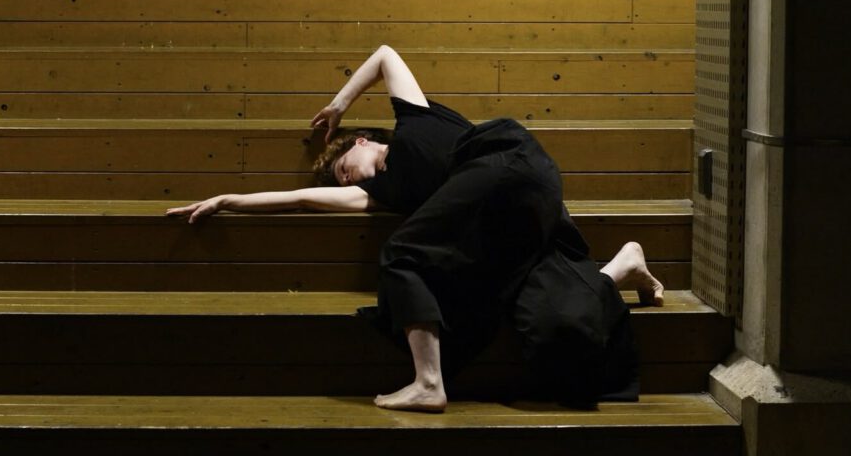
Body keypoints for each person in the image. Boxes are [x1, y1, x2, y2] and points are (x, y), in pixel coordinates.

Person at [167, 45, 664, 412]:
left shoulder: (414, 118)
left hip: (511, 164)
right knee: (555, 328)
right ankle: (624, 266)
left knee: (401, 252)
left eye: (346, 163)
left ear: (362, 140)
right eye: (341, 177)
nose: (348, 175)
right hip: (509, 229)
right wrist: (228, 199)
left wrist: (338, 104)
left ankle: (430, 382)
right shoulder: (379, 194)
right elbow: (298, 199)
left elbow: (385, 55)